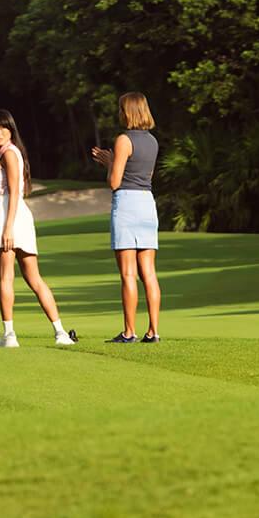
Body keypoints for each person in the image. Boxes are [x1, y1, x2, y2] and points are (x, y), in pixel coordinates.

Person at [0, 110, 76, 348]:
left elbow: (14, 191)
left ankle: (10, 335)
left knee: (7, 277)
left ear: (11, 129)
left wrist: (8, 227)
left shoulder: (8, 153)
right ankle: (60, 332)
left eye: (2, 127)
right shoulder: (11, 152)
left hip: (9, 215)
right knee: (34, 278)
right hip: (16, 215)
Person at [91, 92, 162, 343]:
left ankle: (129, 332)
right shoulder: (152, 141)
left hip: (127, 204)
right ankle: (153, 331)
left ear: (127, 112)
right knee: (149, 273)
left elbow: (114, 181)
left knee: (128, 274)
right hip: (147, 203)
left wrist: (110, 162)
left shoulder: (124, 140)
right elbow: (147, 177)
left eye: (121, 109)